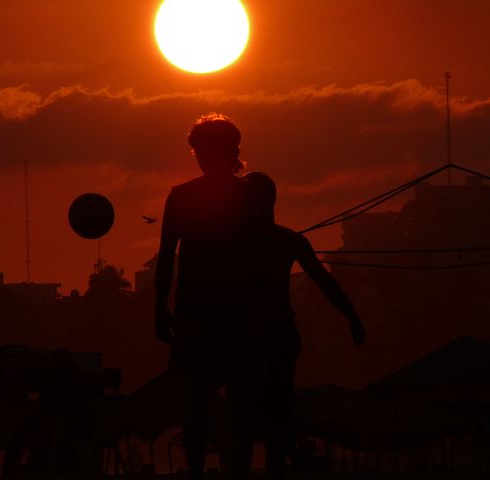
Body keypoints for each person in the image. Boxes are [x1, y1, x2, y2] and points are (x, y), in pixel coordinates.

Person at [242, 171, 365, 478]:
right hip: (264, 335)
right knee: (273, 408)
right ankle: (277, 462)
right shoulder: (283, 240)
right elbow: (325, 282)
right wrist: (353, 317)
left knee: (265, 408)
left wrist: (352, 316)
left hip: (262, 335)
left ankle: (274, 464)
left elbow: (325, 282)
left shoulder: (247, 241)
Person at [155, 114, 257, 480]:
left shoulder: (187, 197)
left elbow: (168, 254)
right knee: (221, 401)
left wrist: (159, 309)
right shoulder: (246, 197)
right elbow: (167, 254)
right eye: (197, 149)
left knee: (200, 402)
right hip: (222, 314)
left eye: (203, 149)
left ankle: (207, 468)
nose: (200, 156)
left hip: (211, 314)